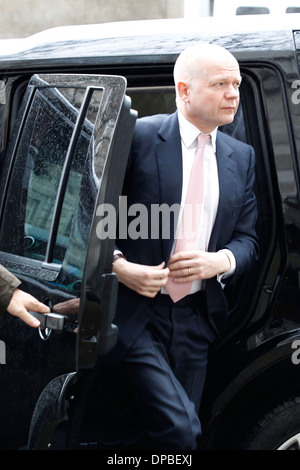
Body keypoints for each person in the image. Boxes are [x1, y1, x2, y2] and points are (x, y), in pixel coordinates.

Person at [108, 43, 259, 449]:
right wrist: (120, 265)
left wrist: (219, 261)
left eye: (237, 84)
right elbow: (88, 218)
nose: (233, 94)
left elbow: (248, 241)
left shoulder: (240, 157)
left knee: (171, 438)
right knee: (181, 432)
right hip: (138, 315)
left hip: (198, 319)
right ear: (184, 89)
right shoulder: (139, 136)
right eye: (220, 84)